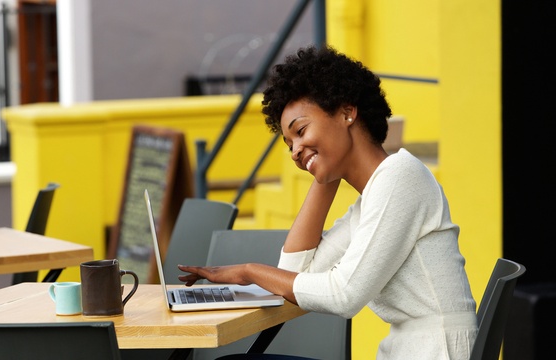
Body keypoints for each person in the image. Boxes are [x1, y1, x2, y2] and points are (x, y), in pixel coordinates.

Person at [178, 45, 477, 359]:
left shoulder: (400, 178)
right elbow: (296, 271)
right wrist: (325, 174)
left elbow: (344, 295)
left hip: (438, 351)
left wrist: (249, 271)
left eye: (301, 131)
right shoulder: (373, 196)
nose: (294, 151)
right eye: (289, 144)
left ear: (347, 112)